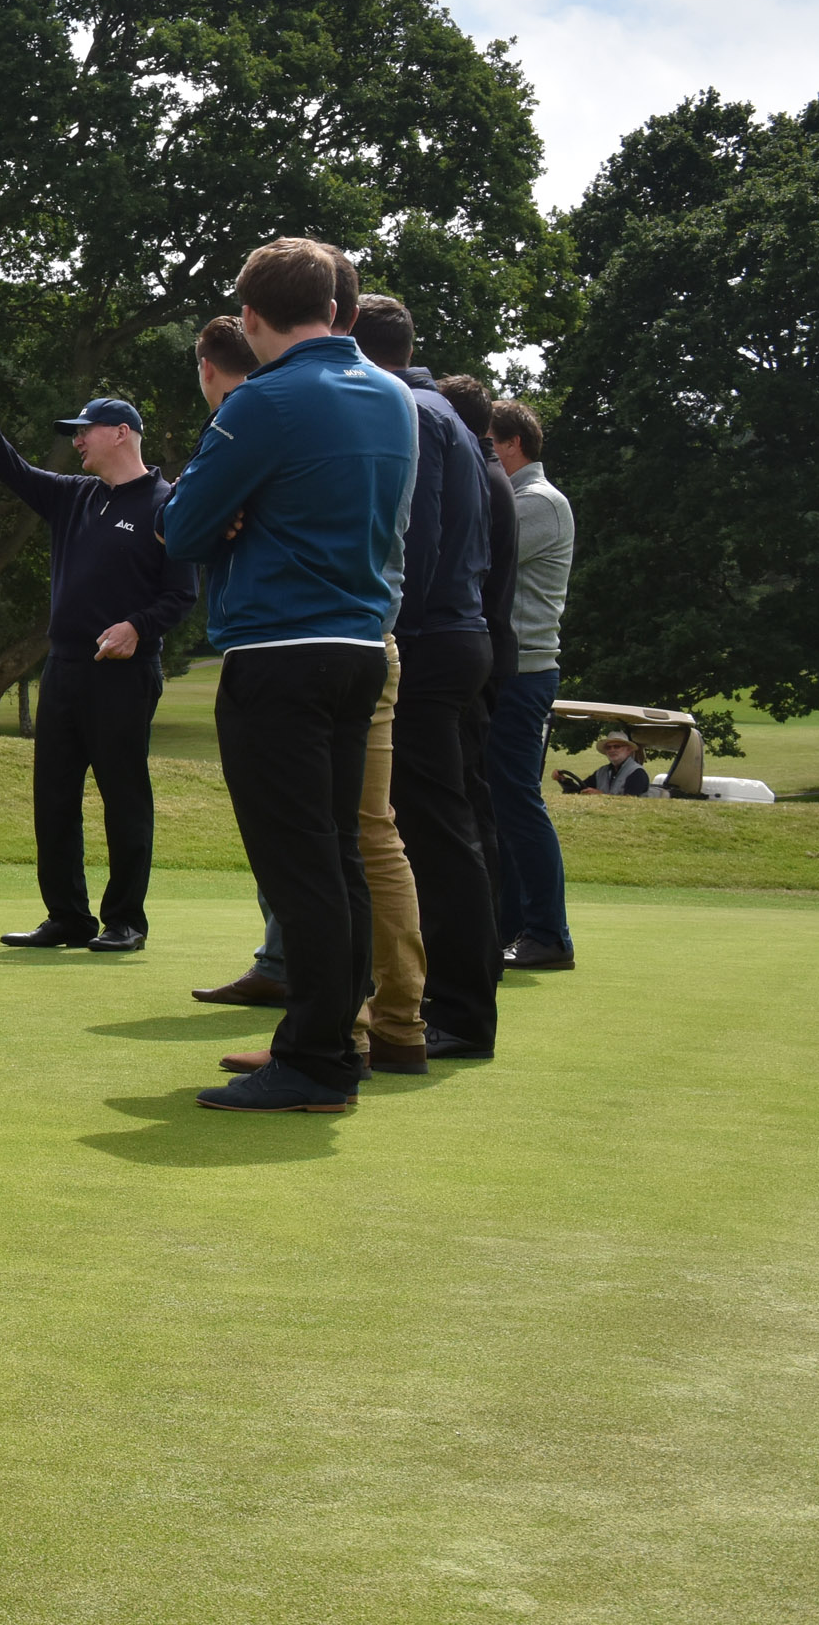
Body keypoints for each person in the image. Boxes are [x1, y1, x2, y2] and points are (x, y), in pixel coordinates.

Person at [160, 237, 414, 1114]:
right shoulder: (394, 396)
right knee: (336, 856)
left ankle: (315, 1061)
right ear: (337, 307)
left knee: (297, 864)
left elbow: (184, 526)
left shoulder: (262, 401)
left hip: (279, 654)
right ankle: (325, 1043)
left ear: (253, 317)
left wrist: (229, 513)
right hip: (360, 649)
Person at [0, 364, 196, 953]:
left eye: (86, 429)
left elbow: (182, 594)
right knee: (53, 796)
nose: (77, 439)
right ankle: (68, 917)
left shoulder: (167, 504)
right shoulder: (73, 496)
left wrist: (138, 625)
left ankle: (126, 920)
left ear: (123, 433)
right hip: (66, 668)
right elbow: (11, 469)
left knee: (123, 796)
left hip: (125, 674)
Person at [350, 295, 503, 1064]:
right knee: (445, 826)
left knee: (432, 834)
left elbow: (423, 539)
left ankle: (459, 1012)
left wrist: (388, 632)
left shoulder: (406, 410)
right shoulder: (447, 412)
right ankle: (453, 1004)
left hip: (427, 639)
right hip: (462, 634)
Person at [489, 398, 577, 972]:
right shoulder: (521, 498)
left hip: (524, 674)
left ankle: (548, 934)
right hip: (506, 672)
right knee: (500, 804)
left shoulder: (538, 503)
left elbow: (482, 556)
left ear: (512, 444)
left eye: (488, 443)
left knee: (518, 802)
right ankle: (512, 927)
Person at [563, 733, 650, 798]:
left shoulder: (637, 773)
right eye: (608, 747)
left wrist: (601, 795)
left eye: (616, 746)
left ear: (628, 750)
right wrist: (563, 780)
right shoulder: (602, 772)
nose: (612, 750)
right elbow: (580, 789)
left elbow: (631, 802)